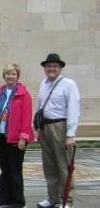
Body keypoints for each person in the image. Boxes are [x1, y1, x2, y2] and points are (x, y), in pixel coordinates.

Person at [36, 54, 80, 208]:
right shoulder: (43, 83)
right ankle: (52, 198)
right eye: (48, 66)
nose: (51, 69)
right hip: (45, 127)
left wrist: (70, 134)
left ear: (60, 68)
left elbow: (74, 109)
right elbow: (40, 105)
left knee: (63, 165)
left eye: (54, 66)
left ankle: (66, 200)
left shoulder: (69, 84)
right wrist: (38, 128)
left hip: (60, 127)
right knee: (49, 165)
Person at [0, 63, 33, 208]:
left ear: (17, 76)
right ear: (4, 75)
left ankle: (18, 202)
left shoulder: (23, 94)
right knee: (5, 170)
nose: (10, 76)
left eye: (13, 74)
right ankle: (4, 201)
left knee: (15, 171)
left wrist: (23, 137)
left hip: (15, 138)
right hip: (1, 136)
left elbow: (27, 117)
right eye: (7, 73)